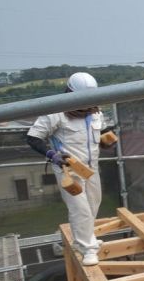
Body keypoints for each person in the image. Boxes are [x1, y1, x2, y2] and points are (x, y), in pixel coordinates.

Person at [26, 72, 115, 266]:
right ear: (70, 93)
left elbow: (102, 131)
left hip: (91, 168)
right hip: (69, 169)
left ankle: (85, 238)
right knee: (79, 209)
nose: (86, 103)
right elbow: (33, 138)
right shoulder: (55, 113)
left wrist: (107, 139)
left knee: (93, 204)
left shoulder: (95, 112)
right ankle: (88, 248)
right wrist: (52, 155)